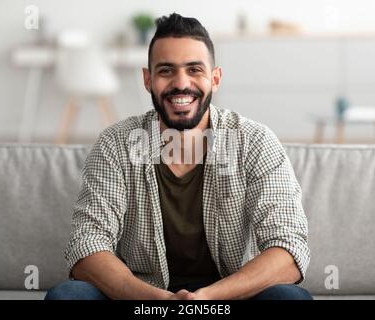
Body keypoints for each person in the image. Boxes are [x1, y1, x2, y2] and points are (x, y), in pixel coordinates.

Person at [45, 13, 311, 300]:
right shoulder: (116, 144)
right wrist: (159, 300)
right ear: (148, 79)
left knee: (290, 299)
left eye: (195, 69)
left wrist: (206, 298)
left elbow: (288, 247)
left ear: (215, 78)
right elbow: (87, 242)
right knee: (67, 296)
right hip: (141, 299)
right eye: (166, 71)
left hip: (228, 298)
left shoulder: (256, 142)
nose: (181, 83)